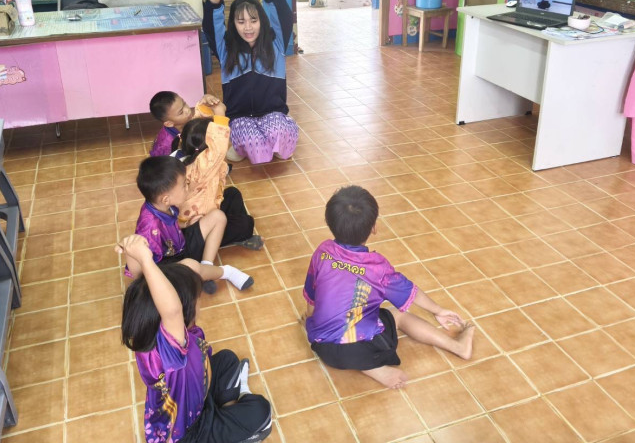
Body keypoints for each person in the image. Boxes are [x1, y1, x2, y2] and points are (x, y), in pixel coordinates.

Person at [302, 186, 475, 389]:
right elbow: (411, 293)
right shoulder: (377, 268)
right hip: (361, 349)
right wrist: (438, 310)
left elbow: (311, 294)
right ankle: (458, 347)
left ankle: (370, 367)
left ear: (328, 222)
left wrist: (311, 320)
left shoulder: (322, 252)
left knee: (346, 331)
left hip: (322, 346)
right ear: (374, 227)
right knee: (398, 315)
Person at [118, 235, 272, 443]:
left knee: (227, 359)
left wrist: (133, 250)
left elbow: (143, 286)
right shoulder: (171, 346)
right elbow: (172, 310)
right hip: (191, 432)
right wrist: (146, 260)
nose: (200, 302)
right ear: (183, 311)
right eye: (198, 298)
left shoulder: (150, 327)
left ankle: (225, 410)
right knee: (261, 411)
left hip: (197, 397)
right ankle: (230, 422)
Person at [203, 0, 299, 164]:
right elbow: (210, 24)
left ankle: (279, 132)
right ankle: (243, 144)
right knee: (257, 150)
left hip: (273, 113)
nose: (248, 27)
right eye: (241, 22)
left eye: (253, 20)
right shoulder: (225, 48)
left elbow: (284, 16)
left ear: (261, 20)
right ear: (233, 23)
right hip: (241, 118)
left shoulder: (276, 43)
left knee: (280, 140)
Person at [128, 155, 254, 294]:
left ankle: (206, 266)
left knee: (218, 216)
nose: (187, 188)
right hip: (169, 265)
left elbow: (170, 226)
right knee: (190, 266)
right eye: (184, 185)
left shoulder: (162, 204)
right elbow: (144, 268)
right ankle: (226, 272)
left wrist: (187, 224)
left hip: (181, 245)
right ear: (166, 199)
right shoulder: (149, 228)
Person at [178, 104, 263, 250]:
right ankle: (225, 237)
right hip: (197, 227)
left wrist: (203, 106)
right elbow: (218, 146)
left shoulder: (188, 157)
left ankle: (231, 229)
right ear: (210, 147)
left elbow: (194, 129)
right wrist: (220, 115)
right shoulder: (203, 166)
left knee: (233, 194)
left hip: (205, 209)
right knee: (246, 224)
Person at [149, 91, 218, 157]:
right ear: (169, 123)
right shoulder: (168, 146)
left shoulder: (186, 121)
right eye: (181, 112)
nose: (187, 110)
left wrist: (206, 97)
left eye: (184, 104)